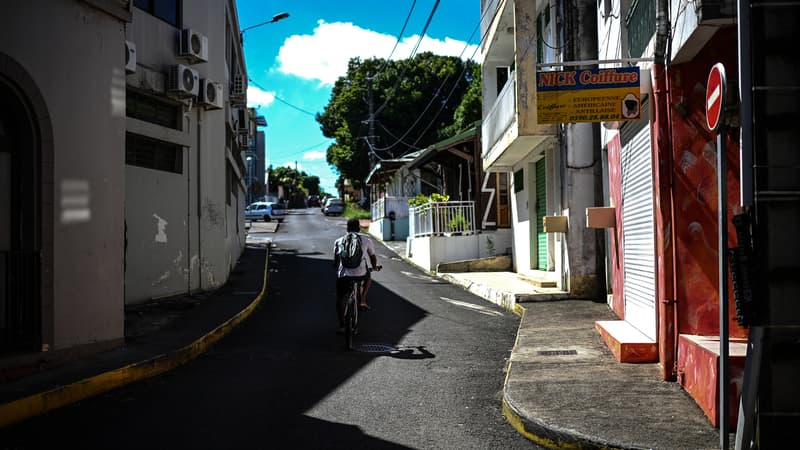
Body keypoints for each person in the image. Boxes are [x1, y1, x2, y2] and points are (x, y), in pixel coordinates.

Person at [334, 218, 381, 330]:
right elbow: (372, 257)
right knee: (368, 277)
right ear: (359, 228)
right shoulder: (366, 239)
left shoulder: (338, 241)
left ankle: (341, 326)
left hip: (344, 275)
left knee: (340, 299)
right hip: (361, 274)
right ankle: (363, 300)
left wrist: (339, 270)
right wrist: (374, 267)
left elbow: (335, 262)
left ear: (347, 228)